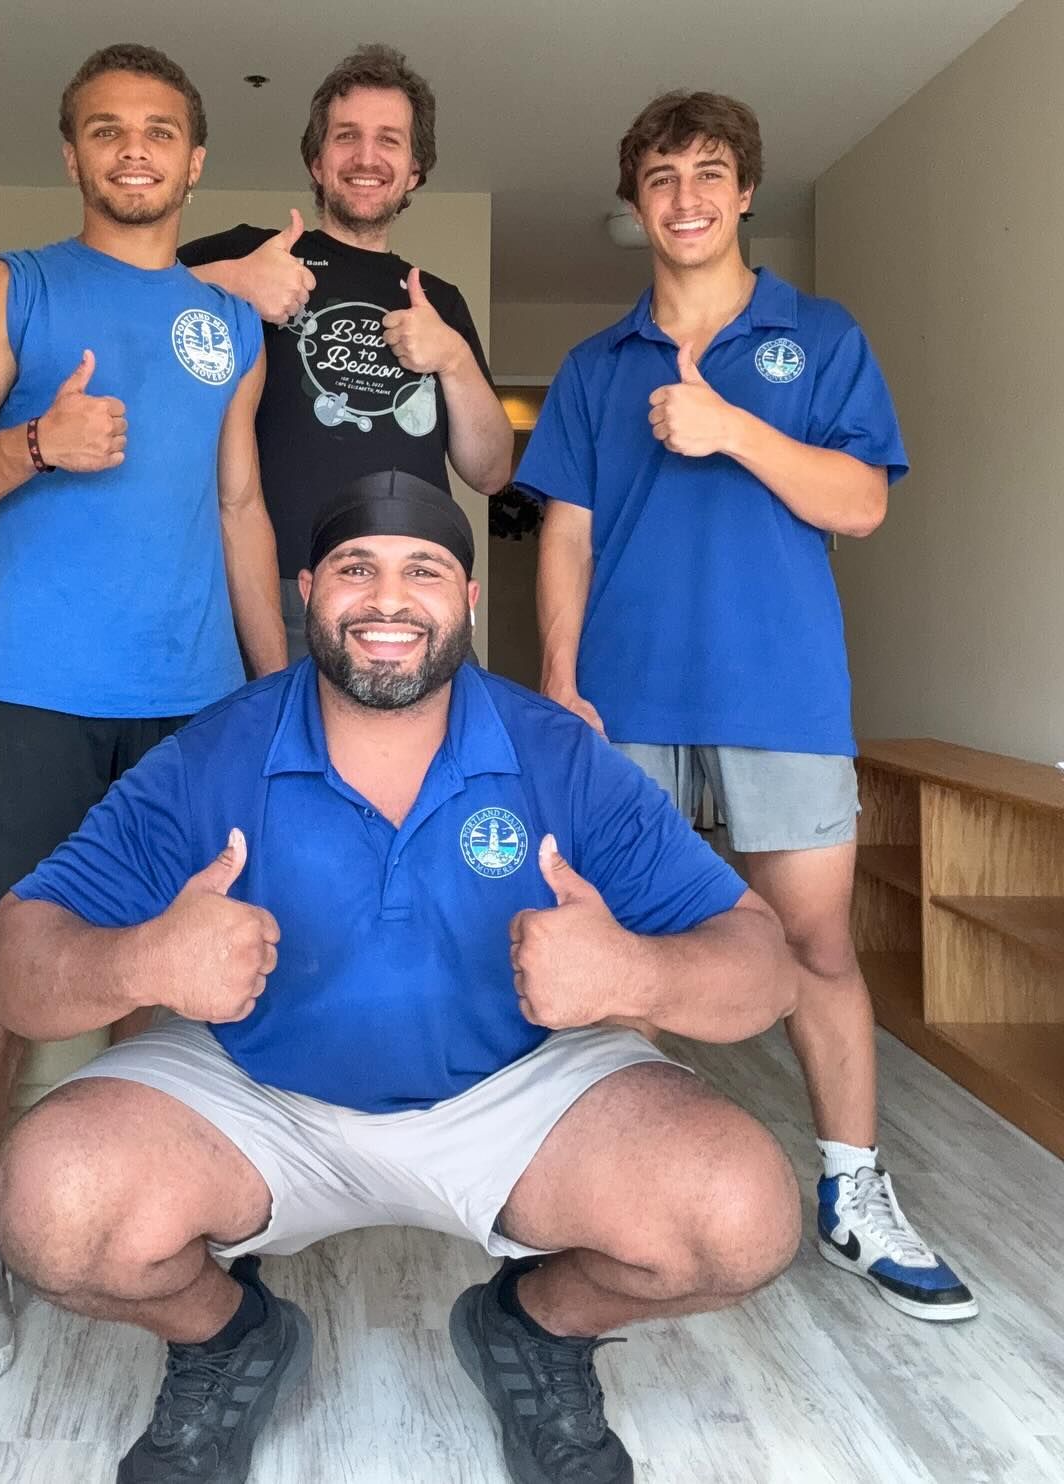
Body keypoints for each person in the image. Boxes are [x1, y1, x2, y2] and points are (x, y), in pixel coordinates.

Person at [0, 470, 802, 1484]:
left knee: (742, 1215)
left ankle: (532, 1328)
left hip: (515, 1092)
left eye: (424, 569)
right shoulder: (213, 754)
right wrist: (142, 959)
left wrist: (634, 972)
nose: (387, 599)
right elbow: (15, 959)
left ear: (468, 598)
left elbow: (763, 963)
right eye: (355, 568)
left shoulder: (561, 757)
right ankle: (227, 1336)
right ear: (309, 589)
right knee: (52, 1208)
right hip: (258, 1094)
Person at [517, 90, 977, 1323]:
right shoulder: (592, 366)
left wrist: (731, 427)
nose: (685, 197)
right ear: (636, 202)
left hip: (782, 692)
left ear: (745, 191)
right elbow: (565, 529)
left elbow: (863, 502)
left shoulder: (819, 338)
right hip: (626, 699)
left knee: (815, 945)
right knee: (629, 955)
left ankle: (854, 1191)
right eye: (661, 176)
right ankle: (626, 1196)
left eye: (709, 172)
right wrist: (560, 677)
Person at [0, 43, 287, 1378]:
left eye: (162, 129)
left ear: (193, 161)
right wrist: (32, 447)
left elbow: (239, 505)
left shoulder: (230, 325)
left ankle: (132, 1217)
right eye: (108, 128)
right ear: (72, 155)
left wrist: (276, 677)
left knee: (160, 975)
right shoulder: (12, 285)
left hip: (190, 707)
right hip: (36, 696)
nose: (136, 147)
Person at [176, 44, 513, 660]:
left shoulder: (439, 300)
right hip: (271, 592)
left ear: (415, 169)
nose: (366, 157)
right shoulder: (254, 251)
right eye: (346, 136)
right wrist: (229, 279)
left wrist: (455, 359)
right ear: (316, 157)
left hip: (415, 594)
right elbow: (122, 292)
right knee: (272, 757)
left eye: (390, 140)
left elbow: (490, 472)